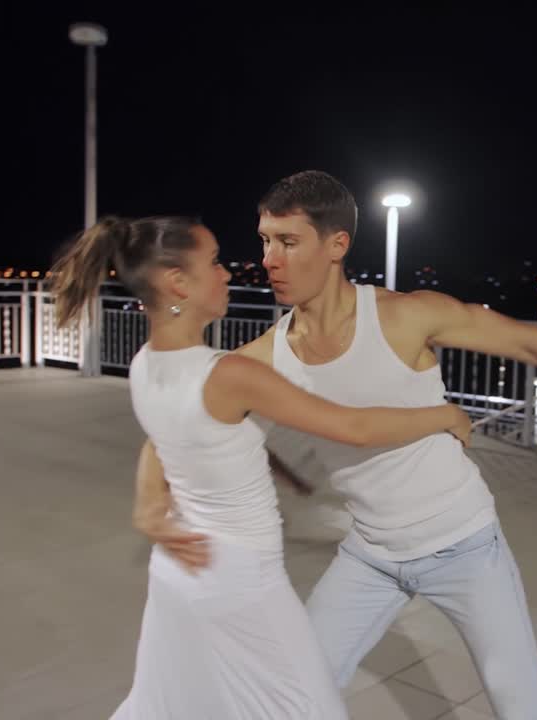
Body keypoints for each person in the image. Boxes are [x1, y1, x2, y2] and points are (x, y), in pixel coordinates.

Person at [136, 171, 537, 720]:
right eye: (264, 241)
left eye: (287, 241)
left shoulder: (404, 316)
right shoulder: (264, 355)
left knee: (521, 703)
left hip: (464, 544)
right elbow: (181, 418)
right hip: (370, 555)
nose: (269, 259)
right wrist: (150, 503)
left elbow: (528, 342)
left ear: (336, 245)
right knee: (297, 693)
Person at [47, 214, 472, 719]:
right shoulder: (228, 375)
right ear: (177, 282)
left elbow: (160, 441)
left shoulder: (144, 365)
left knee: (174, 707)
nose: (228, 273)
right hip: (240, 582)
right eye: (214, 262)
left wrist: (148, 505)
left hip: (180, 575)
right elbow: (352, 427)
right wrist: (443, 414)